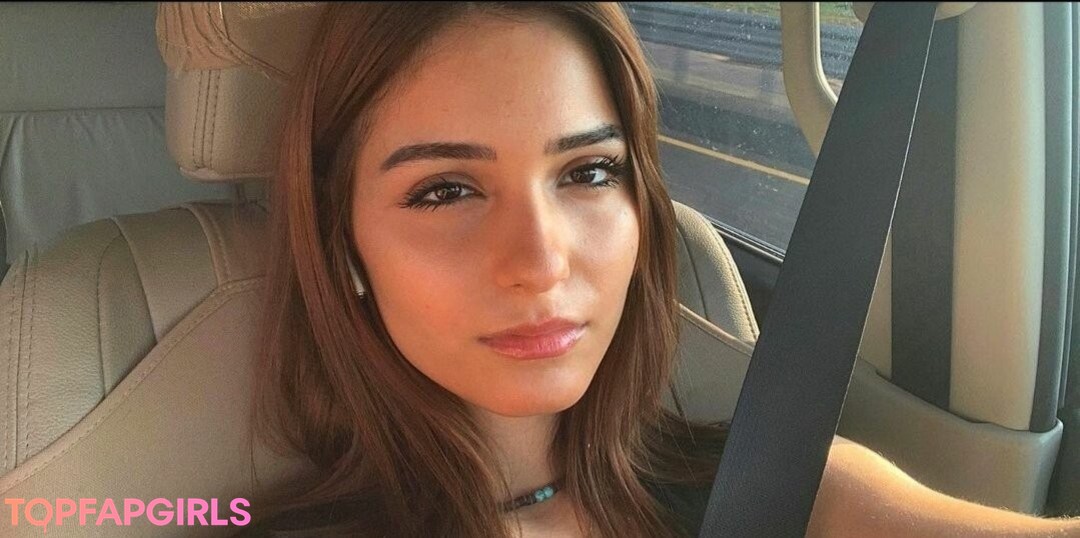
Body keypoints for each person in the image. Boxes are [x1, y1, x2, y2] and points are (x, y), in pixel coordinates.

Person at [240, 3, 1080, 537]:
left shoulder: (785, 487)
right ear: (342, 242)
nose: (542, 263)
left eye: (588, 172)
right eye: (445, 190)